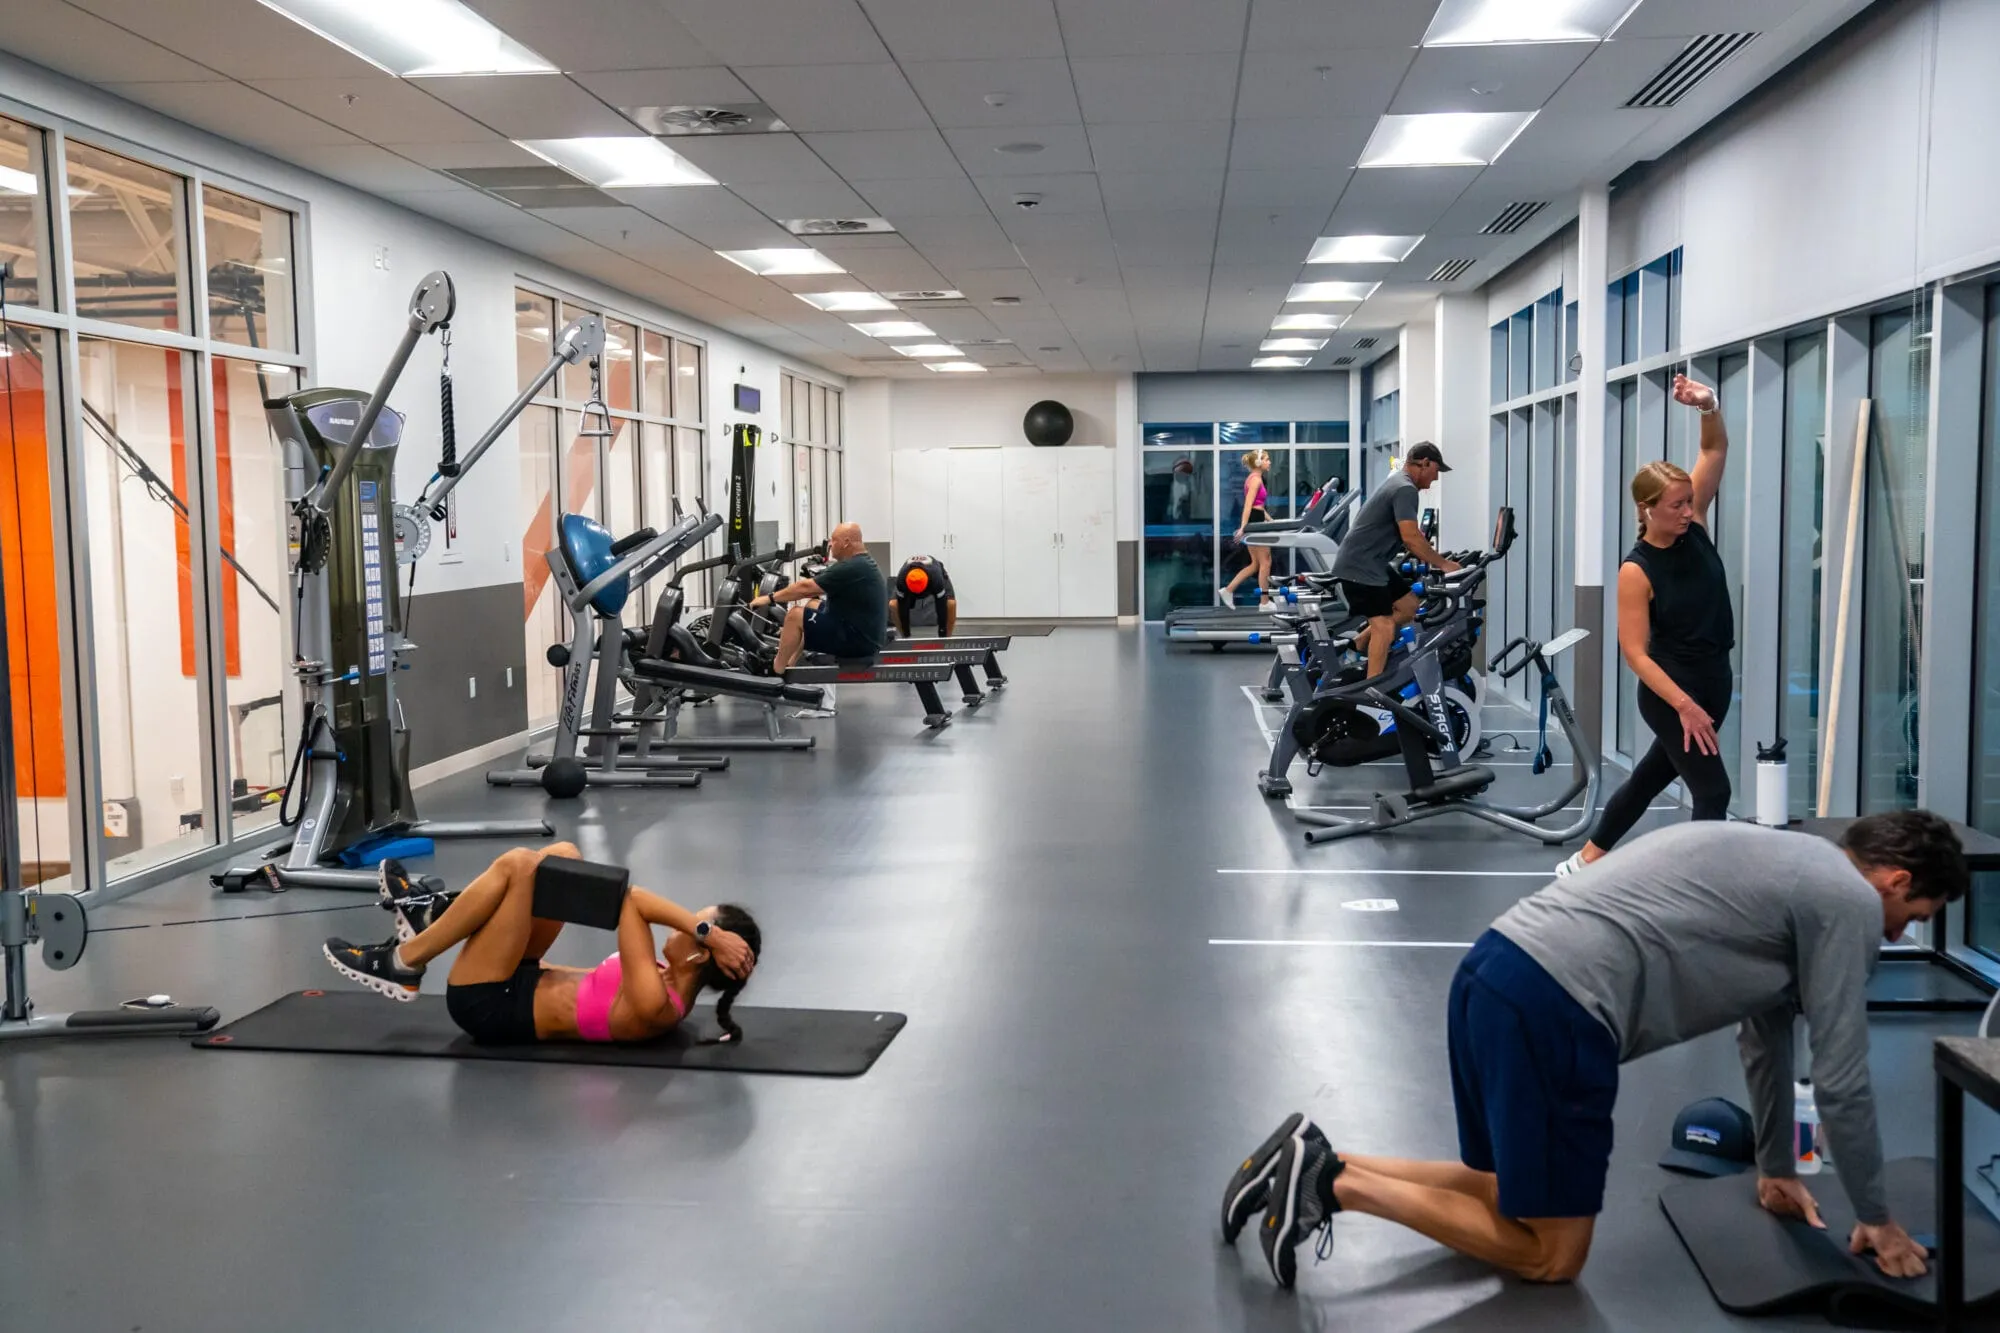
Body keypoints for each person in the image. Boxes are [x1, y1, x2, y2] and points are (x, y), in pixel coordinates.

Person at [1229, 813, 1963, 1291]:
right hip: (1560, 1007)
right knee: (1553, 1255)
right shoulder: (1848, 900)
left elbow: (1766, 1035)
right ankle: (1334, 1186)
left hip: (1494, 968)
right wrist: (1877, 1218)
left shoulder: (1791, 861)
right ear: (1895, 880)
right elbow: (1841, 1079)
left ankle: (1315, 1153)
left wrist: (1774, 1168)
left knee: (1500, 1188)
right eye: (1911, 916)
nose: (1896, 935)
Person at [322, 846, 759, 1045]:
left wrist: (711, 932)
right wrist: (711, 934)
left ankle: (405, 960)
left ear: (700, 953)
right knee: (563, 858)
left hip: (491, 1004)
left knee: (519, 865)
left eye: (694, 924)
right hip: (522, 975)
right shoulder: (665, 977)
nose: (685, 924)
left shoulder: (655, 1004)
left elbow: (630, 900)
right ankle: (433, 918)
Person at [1559, 373, 1732, 876]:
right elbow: (1635, 653)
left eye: (1689, 502)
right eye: (1677, 505)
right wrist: (1685, 706)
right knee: (1713, 792)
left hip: (1713, 680)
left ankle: (1586, 860)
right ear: (1647, 508)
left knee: (1649, 778)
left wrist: (1708, 405)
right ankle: (1697, 889)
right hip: (1672, 692)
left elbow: (1714, 449)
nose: (1688, 511)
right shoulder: (1636, 570)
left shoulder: (1695, 528)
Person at [1326, 442, 1459, 679]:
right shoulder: (1405, 489)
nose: (1436, 478)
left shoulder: (1399, 482)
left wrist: (1434, 555)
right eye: (1436, 471)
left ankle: (1357, 644)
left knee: (1409, 607)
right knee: (1384, 627)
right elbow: (1411, 538)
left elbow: (1411, 536)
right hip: (1360, 566)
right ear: (1424, 463)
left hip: (1373, 563)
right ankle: (1371, 690)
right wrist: (1443, 564)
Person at [753, 521, 887, 673]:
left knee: (795, 615)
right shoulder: (861, 562)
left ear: (846, 543)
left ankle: (776, 669)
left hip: (858, 642)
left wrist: (768, 598)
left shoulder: (852, 566)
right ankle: (790, 662)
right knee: (812, 605)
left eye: (833, 540)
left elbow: (805, 588)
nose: (830, 544)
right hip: (863, 634)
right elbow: (813, 591)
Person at [1220, 450, 1276, 608]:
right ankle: (1264, 602)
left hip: (1257, 518)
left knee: (1256, 564)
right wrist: (1243, 527)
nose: (1269, 462)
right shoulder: (1256, 480)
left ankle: (1228, 590)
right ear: (1258, 463)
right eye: (1267, 459)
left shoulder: (1254, 478)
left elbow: (1259, 506)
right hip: (1254, 521)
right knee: (1266, 562)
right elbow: (1248, 505)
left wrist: (1272, 521)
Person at [892, 554, 957, 636]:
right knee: (893, 604)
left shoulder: (936, 578)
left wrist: (942, 632)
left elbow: (941, 607)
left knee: (951, 604)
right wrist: (906, 633)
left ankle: (947, 638)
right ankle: (904, 636)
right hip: (908, 580)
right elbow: (903, 608)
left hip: (935, 573)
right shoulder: (902, 580)